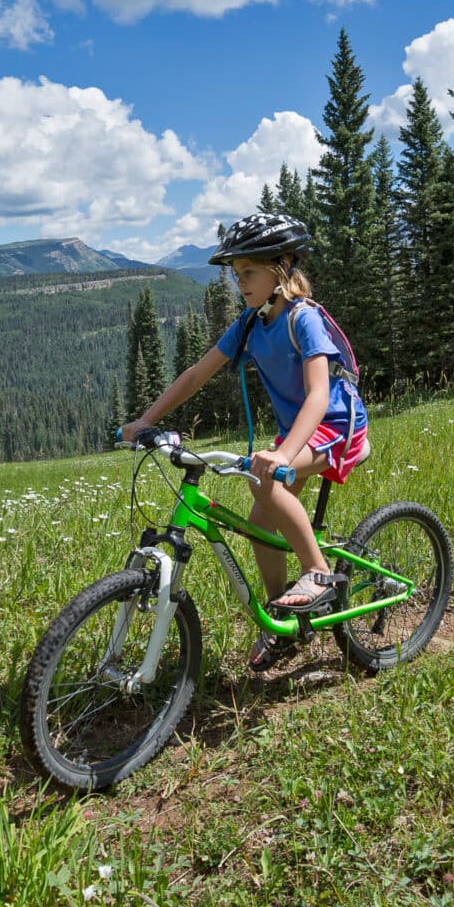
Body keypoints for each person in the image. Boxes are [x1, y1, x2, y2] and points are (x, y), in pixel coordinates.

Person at [119, 212, 369, 674]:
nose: (240, 282)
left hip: (336, 425)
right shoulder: (251, 323)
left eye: (248, 272)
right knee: (260, 520)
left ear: (282, 266)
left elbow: (318, 394)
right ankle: (282, 616)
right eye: (236, 275)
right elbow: (197, 373)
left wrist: (283, 455)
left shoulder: (304, 319)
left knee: (266, 487)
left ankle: (318, 573)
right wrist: (146, 420)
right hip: (296, 433)